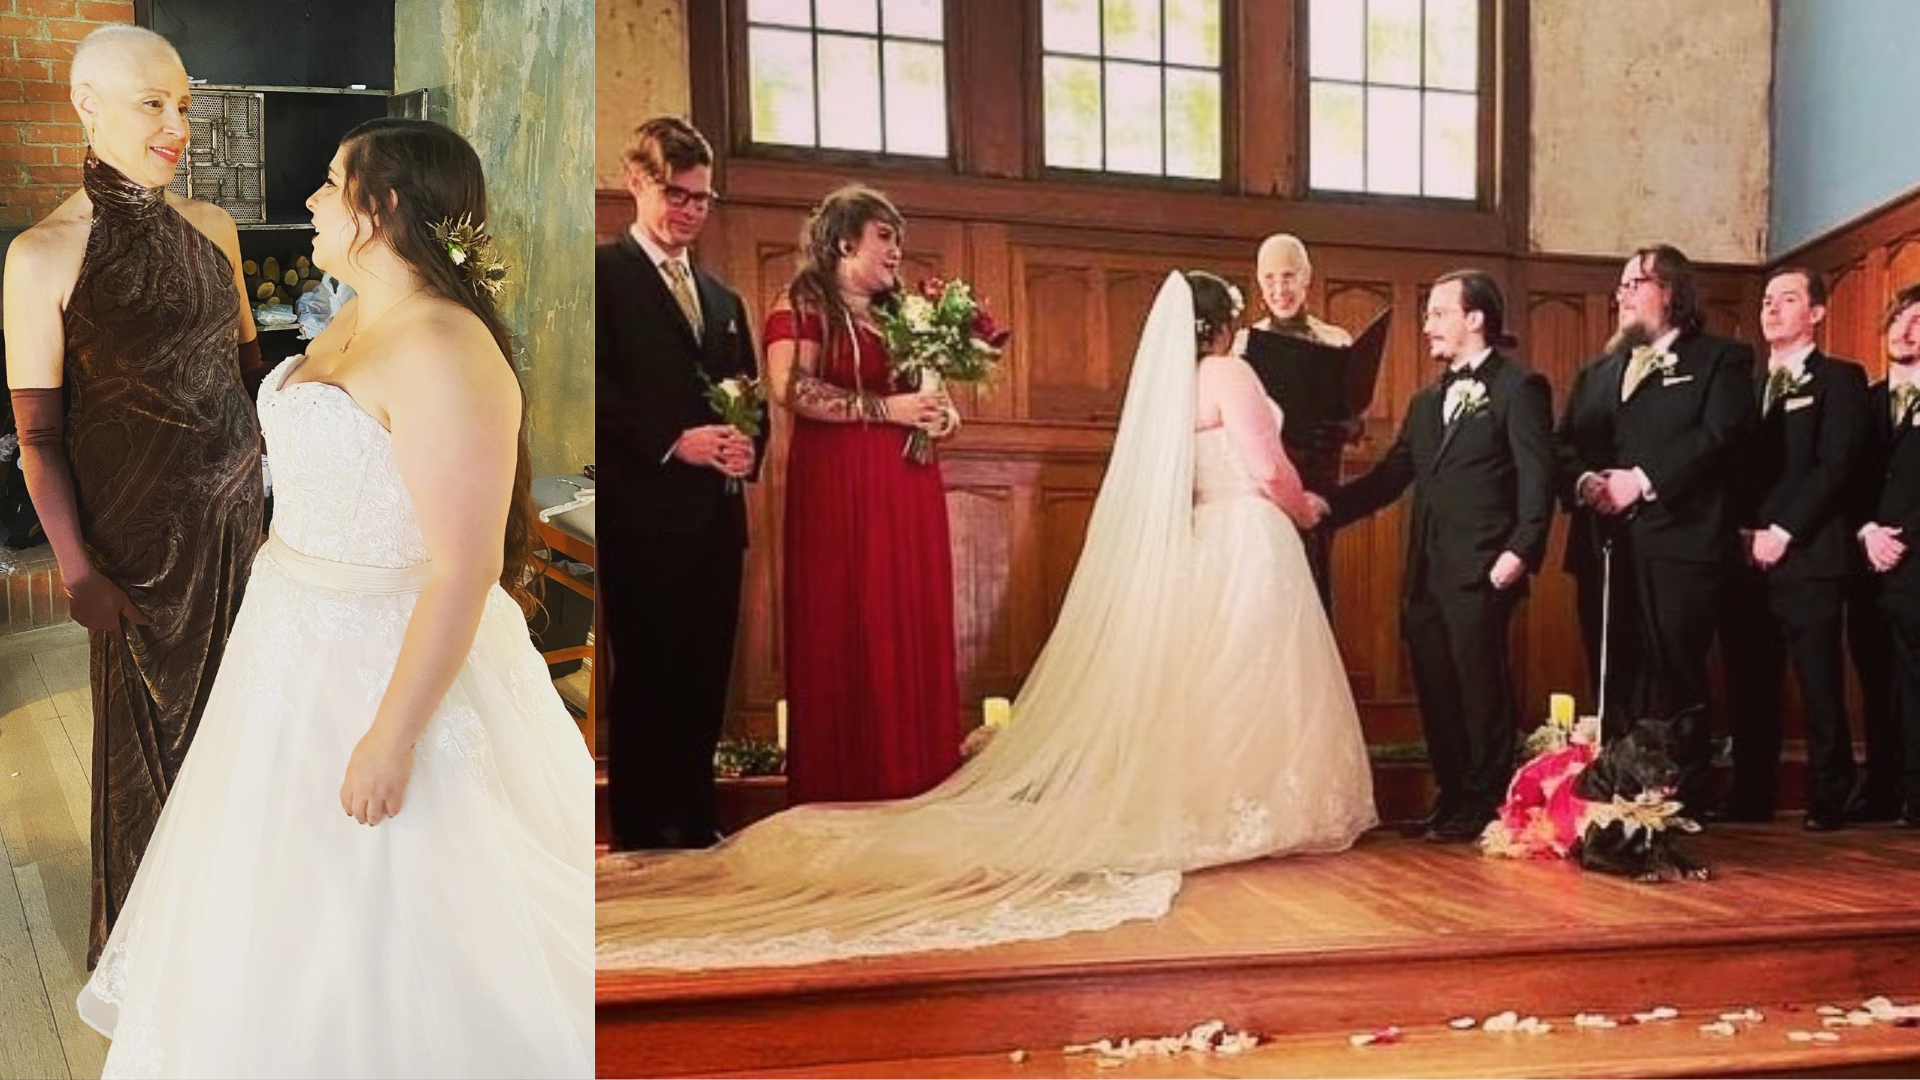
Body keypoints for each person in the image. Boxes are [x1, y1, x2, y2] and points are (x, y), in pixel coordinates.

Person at [596, 270, 1377, 971]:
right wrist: (1303, 505)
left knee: (1209, 682)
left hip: (1205, 537)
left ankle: (1214, 796)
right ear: (1225, 323)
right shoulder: (1229, 372)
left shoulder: (1170, 388)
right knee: (1250, 679)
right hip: (1249, 533)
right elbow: (1269, 464)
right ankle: (1250, 802)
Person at [73, 119, 592, 1077]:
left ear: (382, 206)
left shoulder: (444, 347)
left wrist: (389, 738)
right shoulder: (355, 312)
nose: (310, 201)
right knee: (270, 899)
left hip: (383, 660)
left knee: (395, 910)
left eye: (327, 183)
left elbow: (466, 566)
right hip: (288, 647)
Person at [1, 25, 268, 968]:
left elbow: (249, 381)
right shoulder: (41, 255)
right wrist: (76, 572)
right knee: (152, 756)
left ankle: (254, 935)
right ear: (87, 104)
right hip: (138, 559)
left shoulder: (217, 232)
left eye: (185, 105)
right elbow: (38, 438)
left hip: (249, 533)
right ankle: (166, 962)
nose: (178, 126)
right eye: (153, 102)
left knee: (256, 735)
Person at [1322, 270, 1554, 841]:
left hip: (1483, 567)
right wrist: (1323, 509)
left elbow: (1537, 477)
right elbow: (1391, 477)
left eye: (1438, 313)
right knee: (1436, 687)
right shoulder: (1426, 402)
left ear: (1475, 319)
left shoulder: (1517, 389)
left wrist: (1521, 550)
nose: (1427, 327)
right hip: (1425, 570)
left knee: (1481, 689)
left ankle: (1487, 801)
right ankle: (1450, 799)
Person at [596, 117, 764, 849]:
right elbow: (590, 388)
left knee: (704, 675)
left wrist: (745, 448)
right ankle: (641, 825)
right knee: (646, 676)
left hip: (716, 520)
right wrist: (674, 441)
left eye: (702, 198)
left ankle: (696, 817)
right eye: (676, 193)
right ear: (637, 181)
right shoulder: (602, 276)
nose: (690, 210)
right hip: (641, 514)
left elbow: (749, 394)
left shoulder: (725, 300)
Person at [763, 184, 961, 804]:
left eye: (899, 238)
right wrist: (888, 408)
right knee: (850, 613)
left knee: (911, 613)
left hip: (910, 489)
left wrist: (941, 417)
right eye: (885, 237)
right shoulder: (803, 302)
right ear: (845, 241)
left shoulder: (907, 314)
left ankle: (918, 776)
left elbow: (935, 397)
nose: (897, 250)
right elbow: (791, 389)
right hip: (840, 486)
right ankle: (849, 781)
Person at [1555, 245, 1755, 796]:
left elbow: (1719, 435)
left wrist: (1639, 480)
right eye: (1619, 286)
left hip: (1680, 541)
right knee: (1610, 668)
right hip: (1603, 545)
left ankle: (1676, 796)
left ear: (1669, 292)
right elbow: (1564, 443)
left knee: (1673, 670)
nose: (1622, 295)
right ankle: (1616, 791)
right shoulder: (1597, 371)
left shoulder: (1721, 360)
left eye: (1634, 283)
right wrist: (1586, 482)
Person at [1712, 268, 1869, 830]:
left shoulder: (1841, 380)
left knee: (1818, 681)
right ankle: (1752, 793)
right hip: (1745, 555)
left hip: (1808, 555)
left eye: (1788, 299)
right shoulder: (1742, 385)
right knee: (1751, 680)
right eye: (1768, 301)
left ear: (1818, 313)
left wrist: (1783, 532)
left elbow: (1836, 465)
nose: (1772, 310)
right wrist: (1743, 534)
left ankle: (1830, 795)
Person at [1237, 233, 1357, 610]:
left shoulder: (1336, 340)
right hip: (1268, 477)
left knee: (1315, 584)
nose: (1279, 289)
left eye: (1288, 277)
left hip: (1321, 474)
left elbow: (1354, 416)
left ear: (1306, 278)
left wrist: (1347, 426)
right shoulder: (1244, 343)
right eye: (1269, 278)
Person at [1856, 284, 1920, 827]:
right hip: (1863, 559)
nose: (1906, 328)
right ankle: (1879, 788)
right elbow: (1845, 477)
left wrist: (1900, 536)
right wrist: (1867, 530)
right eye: (1900, 316)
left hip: (1915, 559)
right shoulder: (1865, 400)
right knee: (1873, 677)